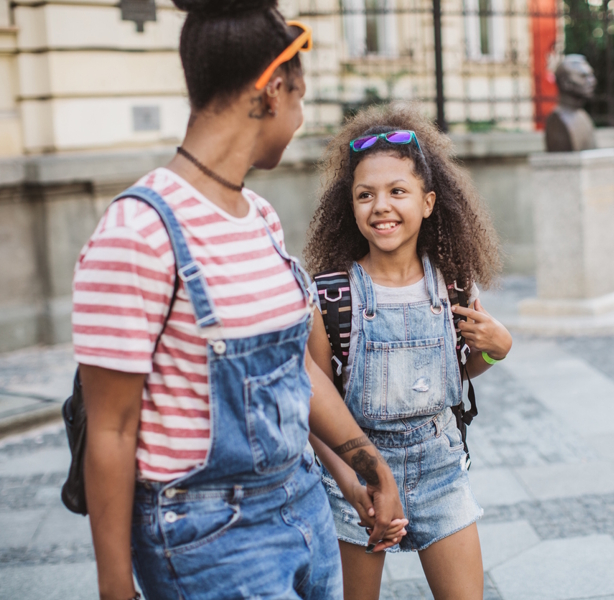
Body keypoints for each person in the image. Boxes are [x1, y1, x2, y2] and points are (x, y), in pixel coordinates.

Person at [72, 2, 407, 599]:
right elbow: (112, 428)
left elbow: (295, 366)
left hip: (303, 508)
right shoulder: (139, 230)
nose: (301, 118)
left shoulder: (260, 218)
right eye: (301, 98)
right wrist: (114, 586)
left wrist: (366, 461)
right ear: (273, 90)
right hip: (209, 540)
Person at [303, 104, 513, 600]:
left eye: (398, 191)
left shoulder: (455, 285)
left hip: (440, 468)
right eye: (365, 195)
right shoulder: (330, 296)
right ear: (349, 207)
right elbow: (314, 406)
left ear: (428, 201)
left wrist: (497, 349)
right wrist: (353, 485)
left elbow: (454, 371)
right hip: (354, 476)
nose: (381, 206)